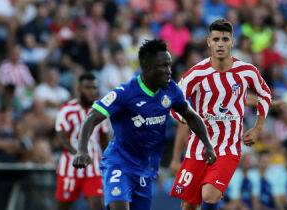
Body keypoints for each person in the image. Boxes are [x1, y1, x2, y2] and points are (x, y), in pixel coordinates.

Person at [72, 39, 216, 210]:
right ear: (147, 68)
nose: (169, 72)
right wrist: (82, 149)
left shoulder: (171, 90)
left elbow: (191, 117)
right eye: (163, 67)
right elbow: (91, 117)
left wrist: (208, 145)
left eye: (169, 65)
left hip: (146, 169)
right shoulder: (125, 93)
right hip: (119, 163)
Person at [169, 18, 272, 210]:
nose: (220, 44)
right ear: (209, 42)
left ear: (232, 41)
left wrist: (257, 128)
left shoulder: (247, 71)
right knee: (189, 205)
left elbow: (265, 94)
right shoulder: (195, 74)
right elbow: (175, 104)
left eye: (225, 39)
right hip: (197, 148)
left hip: (228, 148)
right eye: (216, 39)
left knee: (209, 194)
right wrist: (187, 119)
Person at [55, 73, 110, 210]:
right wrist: (78, 154)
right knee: (63, 206)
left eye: (94, 88)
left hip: (94, 166)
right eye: (88, 88)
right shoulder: (67, 110)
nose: (92, 91)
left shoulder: (100, 110)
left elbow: (104, 138)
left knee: (97, 205)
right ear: (79, 88)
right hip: (70, 167)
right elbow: (61, 138)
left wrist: (108, 160)